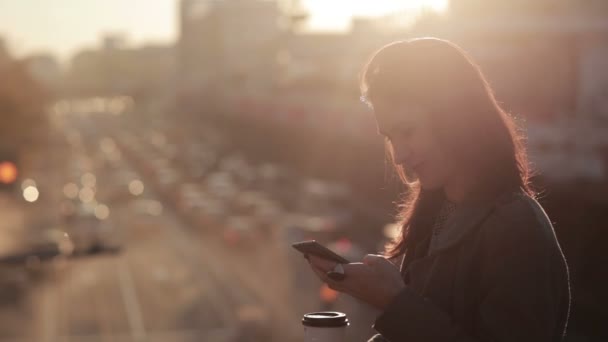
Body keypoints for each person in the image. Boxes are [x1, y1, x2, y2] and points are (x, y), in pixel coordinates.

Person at [305, 38, 570, 341]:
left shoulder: (515, 225)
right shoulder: (435, 214)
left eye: (408, 131)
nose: (399, 155)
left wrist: (394, 301)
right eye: (391, 137)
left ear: (457, 119)